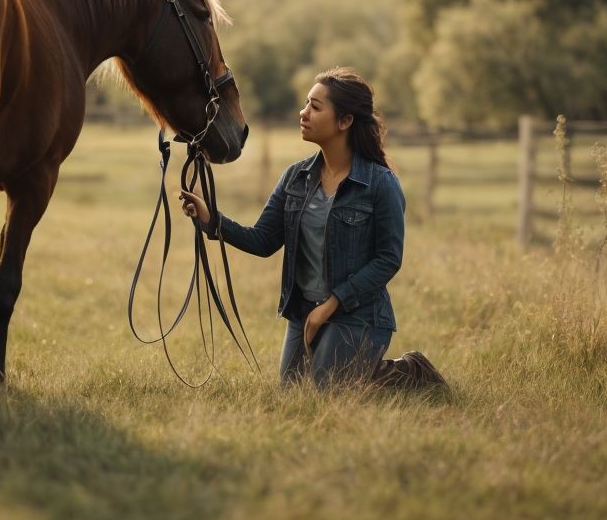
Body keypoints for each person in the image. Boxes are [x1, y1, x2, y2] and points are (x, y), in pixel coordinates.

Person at [179, 68, 444, 389]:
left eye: (316, 107)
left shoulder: (380, 183)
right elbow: (263, 240)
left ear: (345, 121)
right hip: (303, 312)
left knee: (325, 389)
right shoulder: (296, 177)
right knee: (293, 394)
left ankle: (410, 374)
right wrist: (211, 219)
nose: (303, 113)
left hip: (358, 315)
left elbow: (388, 259)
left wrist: (332, 303)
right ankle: (358, 372)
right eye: (306, 103)